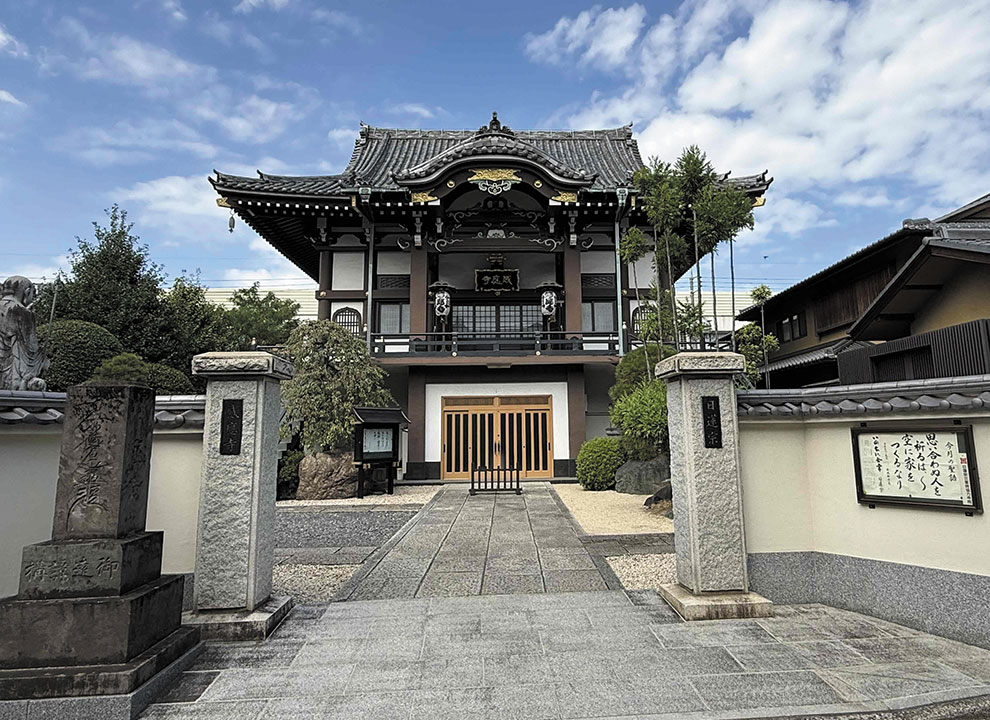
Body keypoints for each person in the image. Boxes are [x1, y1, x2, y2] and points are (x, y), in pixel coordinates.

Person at [0, 275, 50, 391]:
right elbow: (30, 348)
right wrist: (42, 359)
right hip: (11, 373)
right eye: (32, 294)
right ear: (27, 292)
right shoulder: (21, 311)